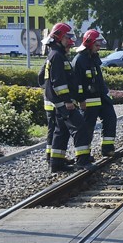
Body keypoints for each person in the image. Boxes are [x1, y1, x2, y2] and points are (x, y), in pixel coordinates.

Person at [41, 22, 95, 173]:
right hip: (64, 102)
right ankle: (83, 161)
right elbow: (58, 82)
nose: (69, 40)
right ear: (59, 37)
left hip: (59, 102)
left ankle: (56, 163)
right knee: (80, 128)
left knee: (61, 131)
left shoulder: (55, 54)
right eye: (67, 37)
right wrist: (66, 100)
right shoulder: (57, 56)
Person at [72, 29, 117, 157]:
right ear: (89, 43)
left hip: (101, 98)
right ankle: (83, 156)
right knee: (87, 128)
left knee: (110, 118)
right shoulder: (79, 60)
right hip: (88, 101)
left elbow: (99, 79)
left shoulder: (93, 58)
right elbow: (77, 83)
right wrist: (81, 100)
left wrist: (106, 94)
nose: (99, 48)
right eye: (97, 45)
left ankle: (107, 149)